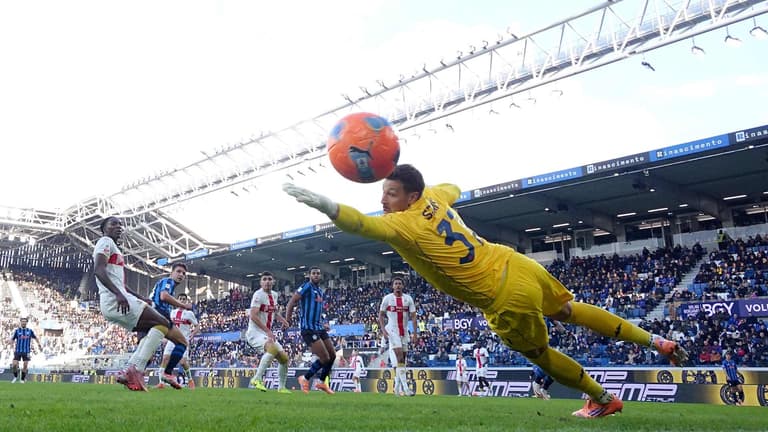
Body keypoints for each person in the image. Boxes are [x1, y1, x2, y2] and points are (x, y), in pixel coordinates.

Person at [283, 164, 688, 418]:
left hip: (501, 297)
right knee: (569, 310)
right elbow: (452, 186)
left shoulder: (402, 224)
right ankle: (655, 340)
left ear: (410, 197)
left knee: (540, 355)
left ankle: (601, 398)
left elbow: (360, 224)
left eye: (390, 193)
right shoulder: (436, 198)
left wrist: (327, 206)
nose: (383, 200)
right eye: (383, 193)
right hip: (516, 263)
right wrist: (427, 189)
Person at [93, 216, 188, 391]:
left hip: (120, 299)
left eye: (120, 224)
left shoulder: (114, 248)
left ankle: (132, 370)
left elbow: (121, 284)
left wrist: (139, 297)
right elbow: (98, 270)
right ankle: (134, 369)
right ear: (104, 228)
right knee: (163, 323)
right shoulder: (105, 241)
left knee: (158, 327)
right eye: (113, 223)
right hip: (116, 300)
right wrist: (118, 295)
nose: (118, 226)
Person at [285, 266, 335, 394]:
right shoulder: (306, 287)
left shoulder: (320, 291)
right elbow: (291, 302)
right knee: (324, 358)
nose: (316, 275)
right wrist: (288, 319)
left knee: (332, 356)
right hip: (308, 329)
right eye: (314, 273)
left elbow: (317, 311)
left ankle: (322, 383)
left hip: (319, 327)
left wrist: (323, 324)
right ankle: (305, 378)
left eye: (318, 273)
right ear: (309, 275)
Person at [148, 262, 194, 389]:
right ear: (171, 272)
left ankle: (134, 374)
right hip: (157, 315)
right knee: (180, 345)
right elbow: (163, 296)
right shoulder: (168, 281)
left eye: (183, 273)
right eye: (178, 271)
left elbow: (197, 326)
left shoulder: (188, 314)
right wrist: (182, 305)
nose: (181, 275)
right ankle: (166, 375)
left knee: (148, 352)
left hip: (156, 316)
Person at [246, 272, 292, 394]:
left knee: (284, 359)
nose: (267, 281)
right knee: (271, 349)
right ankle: (256, 379)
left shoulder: (275, 295)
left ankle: (281, 387)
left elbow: (274, 312)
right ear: (261, 282)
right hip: (255, 333)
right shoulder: (258, 295)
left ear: (273, 282)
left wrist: (283, 320)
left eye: (269, 279)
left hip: (266, 334)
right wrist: (268, 331)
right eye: (264, 279)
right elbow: (253, 315)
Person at [378, 276, 417, 397]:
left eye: (400, 283)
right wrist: (383, 330)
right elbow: (381, 315)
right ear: (392, 286)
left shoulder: (408, 299)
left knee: (402, 361)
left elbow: (414, 316)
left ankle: (396, 389)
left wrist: (415, 333)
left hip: (404, 332)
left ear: (403, 286)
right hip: (393, 331)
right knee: (400, 358)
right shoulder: (387, 299)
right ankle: (406, 389)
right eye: (396, 283)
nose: (398, 285)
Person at [155, 293, 199, 390]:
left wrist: (193, 334)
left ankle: (190, 380)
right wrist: (165, 336)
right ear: (177, 300)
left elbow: (197, 326)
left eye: (184, 299)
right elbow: (168, 325)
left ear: (186, 301)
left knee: (183, 362)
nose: (182, 300)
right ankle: (161, 383)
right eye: (180, 299)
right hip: (172, 339)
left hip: (183, 340)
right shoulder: (172, 312)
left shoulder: (189, 314)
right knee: (165, 359)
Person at [9, 317, 42, 383]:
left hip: (26, 351)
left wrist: (39, 345)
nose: (23, 322)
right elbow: (12, 339)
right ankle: (15, 376)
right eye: (22, 321)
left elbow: (35, 338)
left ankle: (22, 379)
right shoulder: (17, 331)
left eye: (25, 321)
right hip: (18, 351)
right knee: (14, 365)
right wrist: (11, 345)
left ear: (26, 323)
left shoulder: (29, 331)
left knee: (25, 365)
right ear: (20, 322)